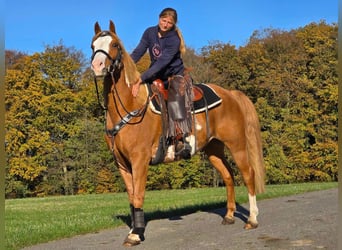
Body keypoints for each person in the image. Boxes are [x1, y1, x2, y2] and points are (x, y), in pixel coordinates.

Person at [130, 7, 192, 159]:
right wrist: (126, 66)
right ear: (159, 18)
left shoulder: (174, 40)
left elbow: (162, 63)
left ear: (173, 24)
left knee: (175, 99)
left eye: (169, 23)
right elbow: (138, 52)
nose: (165, 24)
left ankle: (181, 138)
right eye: (164, 20)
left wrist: (141, 79)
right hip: (156, 74)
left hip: (173, 75)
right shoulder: (149, 32)